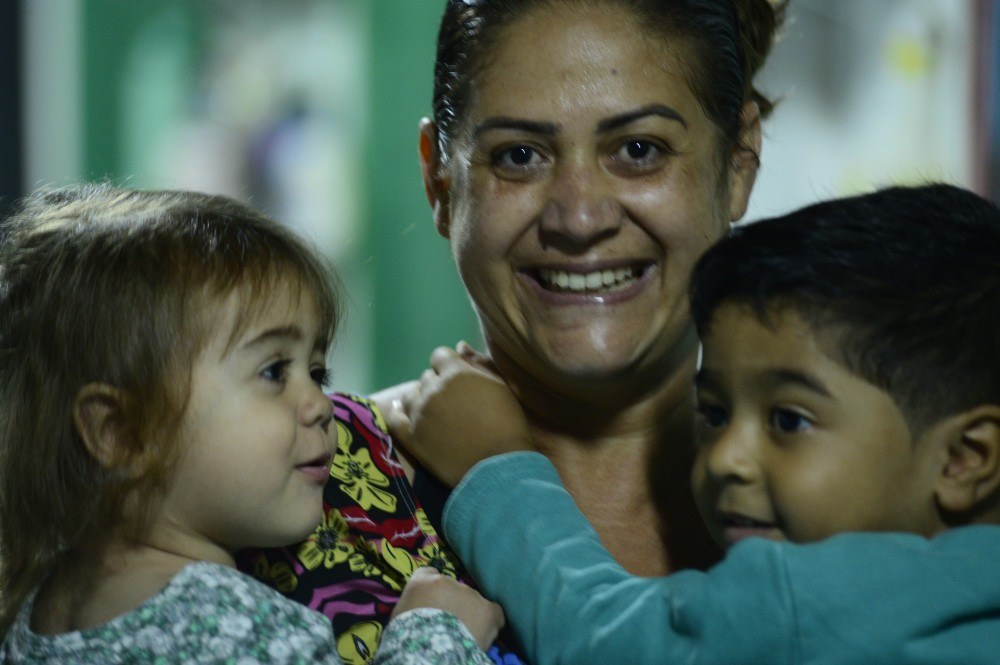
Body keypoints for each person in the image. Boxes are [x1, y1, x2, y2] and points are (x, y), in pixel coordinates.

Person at [238, 1, 785, 661]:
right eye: (519, 155)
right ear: (438, 180)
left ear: (739, 164)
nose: (579, 218)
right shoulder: (291, 484)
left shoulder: (844, 493)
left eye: (638, 150)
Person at [394, 183, 1000, 663]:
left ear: (966, 458)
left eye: (788, 420)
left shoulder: (812, 600)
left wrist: (496, 463)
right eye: (712, 412)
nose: (723, 457)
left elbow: (596, 635)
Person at [0, 183, 502, 664]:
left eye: (316, 373)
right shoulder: (229, 623)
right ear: (119, 432)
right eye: (273, 372)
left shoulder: (43, 608)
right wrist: (436, 634)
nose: (321, 405)